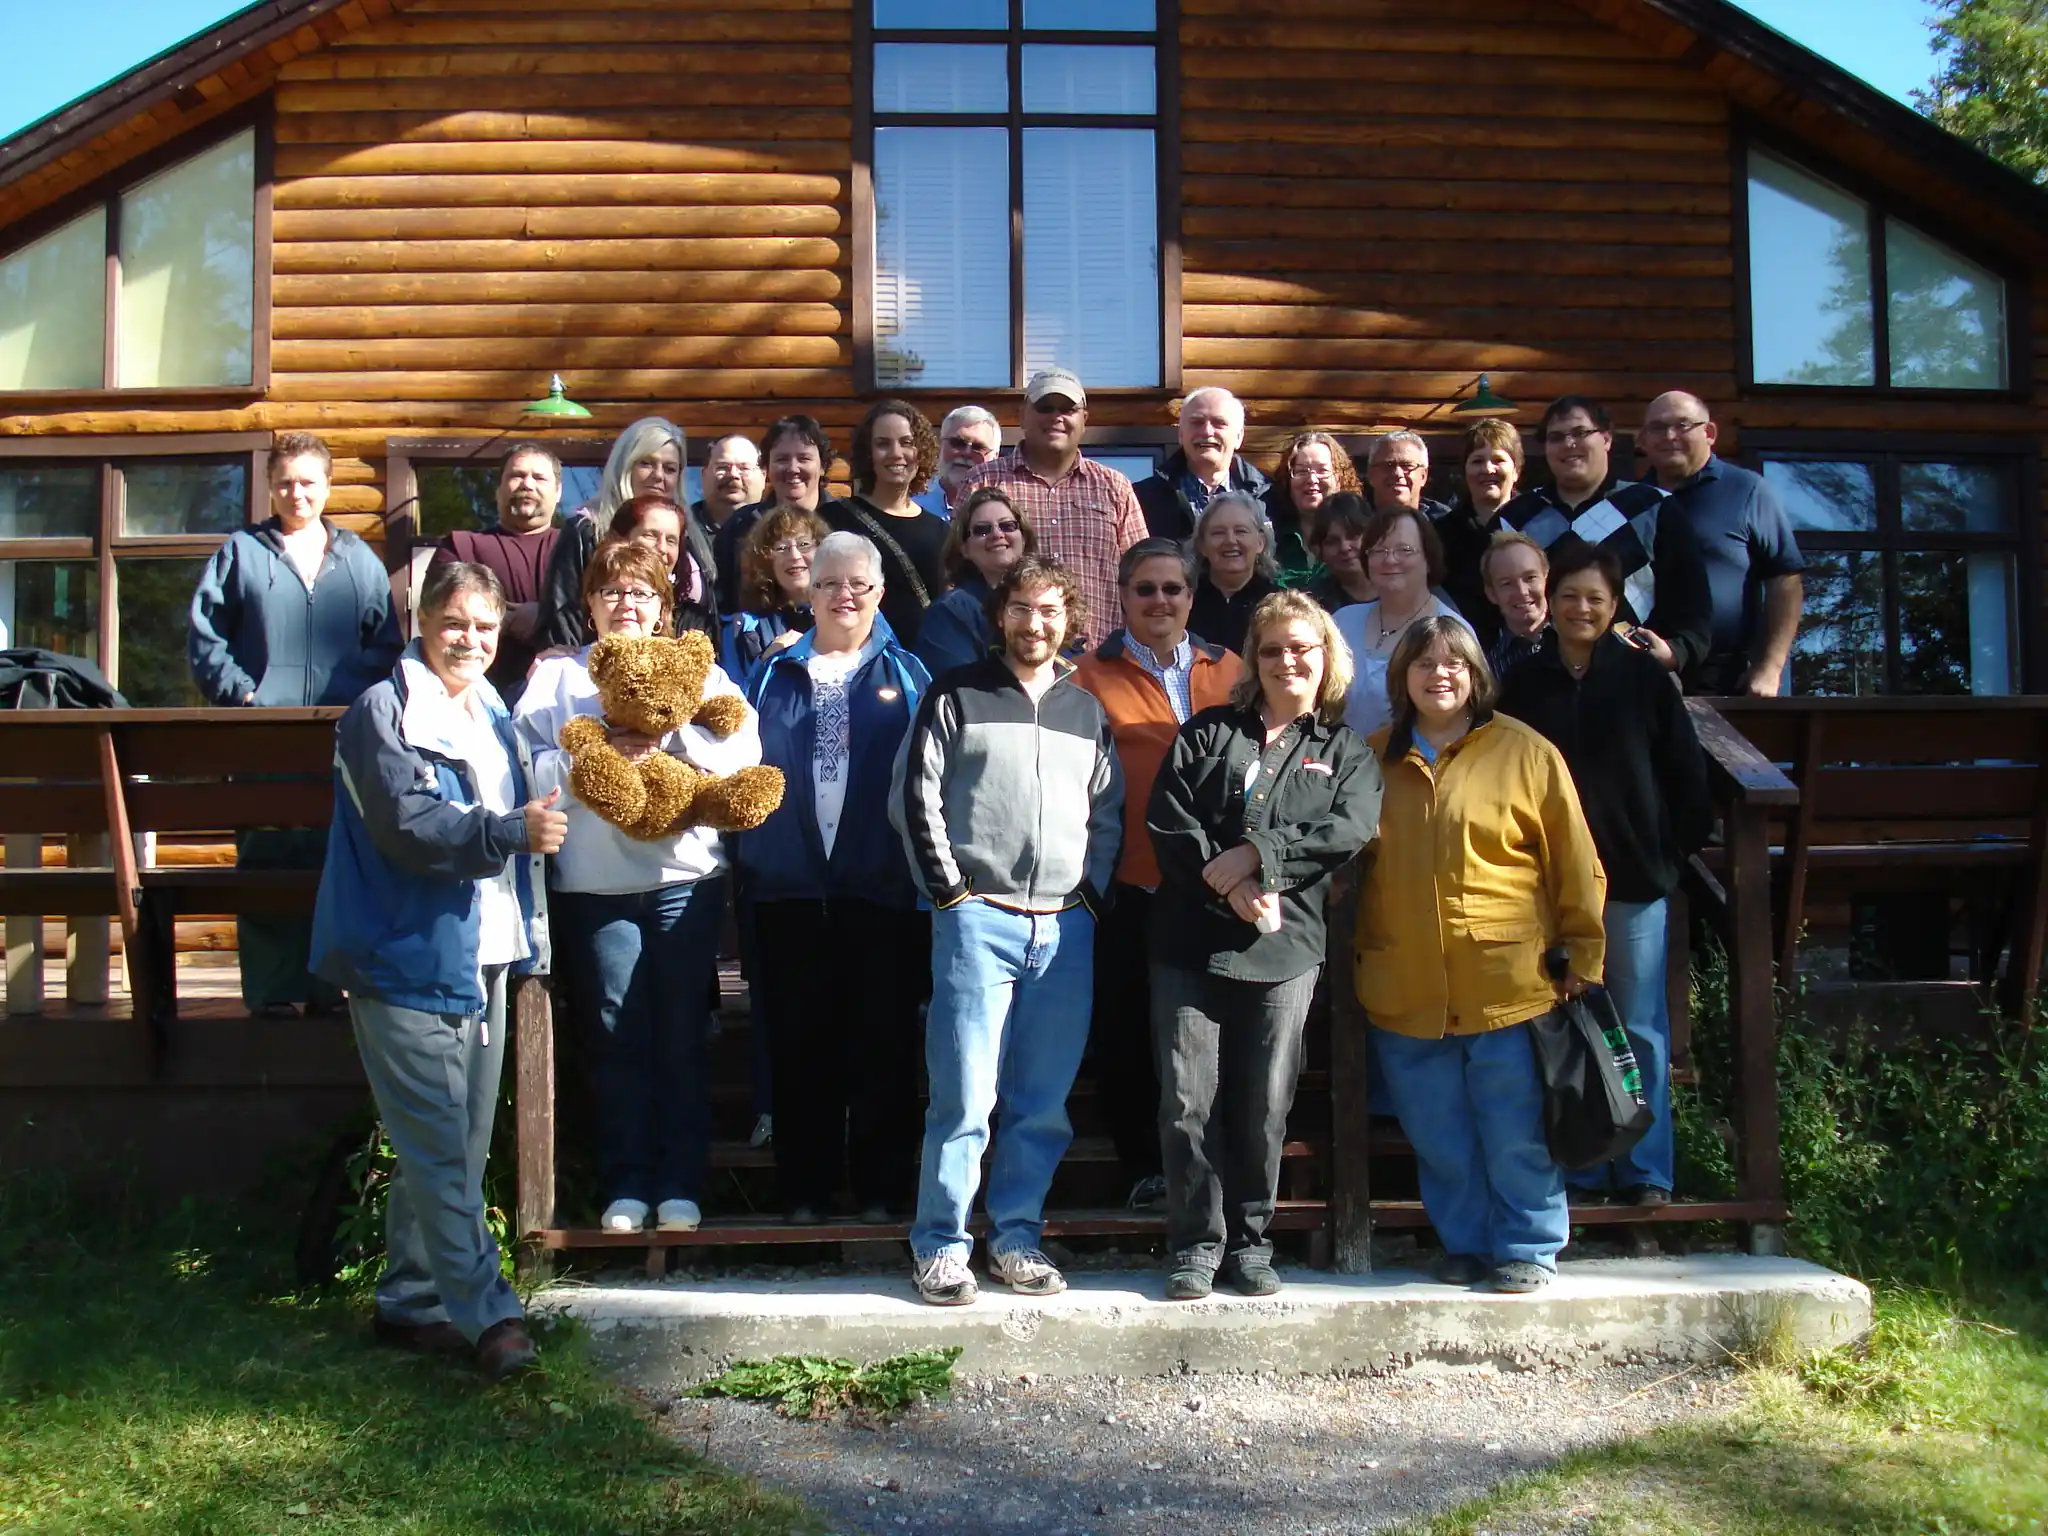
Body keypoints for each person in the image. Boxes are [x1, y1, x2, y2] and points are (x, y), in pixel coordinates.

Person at [309, 560, 565, 1382]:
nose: (470, 640)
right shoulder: (380, 714)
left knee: (455, 1142)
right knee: (441, 1154)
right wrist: (508, 833)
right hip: (402, 955)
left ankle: (412, 1298)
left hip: (484, 952)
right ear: (421, 620)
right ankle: (491, 1316)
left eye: (486, 627)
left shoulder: (491, 711)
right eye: (455, 622)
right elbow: (409, 828)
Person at [890, 556, 1123, 1306]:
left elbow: (1108, 813)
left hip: (1063, 928)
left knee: (1042, 1100)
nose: (1036, 623)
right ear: (1001, 616)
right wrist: (951, 893)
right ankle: (942, 1244)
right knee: (964, 1095)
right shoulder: (955, 693)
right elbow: (915, 798)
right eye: (1022, 608)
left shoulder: (1086, 709)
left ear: (1070, 620)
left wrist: (1088, 897)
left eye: (1051, 610)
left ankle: (1016, 1236)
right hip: (976, 920)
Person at [515, 539, 764, 1237]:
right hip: (593, 886)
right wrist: (593, 755)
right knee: (616, 1033)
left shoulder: (702, 672)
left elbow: (744, 749)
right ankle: (626, 1182)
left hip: (683, 881)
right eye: (612, 591)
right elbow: (524, 764)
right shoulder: (557, 678)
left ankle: (680, 1185)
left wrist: (669, 744)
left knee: (681, 1034)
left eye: (642, 593)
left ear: (664, 607)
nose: (627, 603)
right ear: (589, 604)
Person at [1355, 617, 1606, 1294]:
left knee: (1515, 1130)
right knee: (1440, 1138)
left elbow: (1575, 864)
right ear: (1402, 677)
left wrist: (1583, 952)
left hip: (1507, 981)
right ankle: (1465, 1244)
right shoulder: (1370, 759)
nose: (1441, 676)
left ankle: (1528, 1246)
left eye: (1455, 665)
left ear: (1475, 676)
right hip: (1404, 983)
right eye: (1425, 665)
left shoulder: (1525, 752)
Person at [1147, 591, 1380, 1299]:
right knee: (1188, 1100)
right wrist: (1228, 885)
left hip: (1285, 948)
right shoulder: (1207, 731)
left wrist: (1259, 857)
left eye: (1302, 648)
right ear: (1255, 659)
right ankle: (1194, 1244)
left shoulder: (1345, 753)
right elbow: (1169, 818)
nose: (1288, 661)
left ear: (1326, 659)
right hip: (1190, 940)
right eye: (1274, 648)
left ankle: (1249, 1244)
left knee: (1264, 1100)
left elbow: (1349, 828)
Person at [1499, 545, 1713, 1208]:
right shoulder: (1526, 684)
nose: (1581, 609)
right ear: (1550, 602)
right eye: (1569, 596)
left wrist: (1667, 857)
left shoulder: (1646, 680)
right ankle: (1587, 1164)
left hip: (1632, 884)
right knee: (1570, 1022)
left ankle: (1646, 1172)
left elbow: (1688, 780)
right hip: (1552, 890)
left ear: (1614, 605)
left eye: (1595, 598)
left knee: (1639, 1026)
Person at [742, 532, 933, 1224]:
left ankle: (883, 1190)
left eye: (858, 583)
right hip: (787, 888)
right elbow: (734, 767)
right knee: (799, 1043)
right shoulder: (769, 674)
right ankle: (805, 1192)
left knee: (882, 1042)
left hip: (879, 889)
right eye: (828, 583)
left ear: (880, 593)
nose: (843, 595)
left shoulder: (911, 676)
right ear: (809, 592)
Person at [189, 430, 402, 1017]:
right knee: (266, 861)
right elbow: (206, 639)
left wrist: (361, 706)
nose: (296, 492)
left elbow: (386, 646)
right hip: (263, 740)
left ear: (327, 486)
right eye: (284, 482)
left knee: (334, 860)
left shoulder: (358, 559)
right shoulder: (241, 552)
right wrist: (244, 693)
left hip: (341, 742)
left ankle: (330, 988)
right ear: (270, 487)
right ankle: (274, 993)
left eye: (308, 481)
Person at [1073, 538, 1245, 1212]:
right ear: (1123, 596)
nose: (1159, 601)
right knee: (1130, 1033)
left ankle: (1220, 1170)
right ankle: (1145, 1168)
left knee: (1216, 1033)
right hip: (1131, 884)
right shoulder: (1088, 676)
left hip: (1219, 887)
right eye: (1145, 589)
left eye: (1172, 589)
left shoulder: (1229, 669)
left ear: (1191, 597)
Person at [1499, 397, 1711, 678]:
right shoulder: (1513, 518)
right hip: (1539, 678)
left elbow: (1692, 603)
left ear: (1607, 438)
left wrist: (1676, 652)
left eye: (1580, 433)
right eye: (1557, 437)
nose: (1569, 444)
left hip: (1634, 677)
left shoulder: (1654, 507)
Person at [959, 367, 1148, 651]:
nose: (1056, 417)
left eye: (1068, 409)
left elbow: (1142, 577)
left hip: (1100, 661)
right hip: (1010, 656)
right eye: (1045, 408)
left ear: (1084, 419)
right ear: (1022, 415)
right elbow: (957, 567)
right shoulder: (983, 481)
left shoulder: (1115, 487)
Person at [1639, 390, 1806, 696]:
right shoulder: (1633, 500)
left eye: (1683, 425)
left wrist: (1769, 668)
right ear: (1644, 440)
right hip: (1645, 677)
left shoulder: (1746, 490)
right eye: (1658, 428)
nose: (1669, 436)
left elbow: (1785, 580)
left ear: (1710, 433)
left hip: (1727, 682)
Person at [538, 418, 716, 649]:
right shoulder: (588, 530)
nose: (659, 475)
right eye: (646, 463)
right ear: (625, 465)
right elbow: (562, 613)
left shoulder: (692, 537)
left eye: (669, 468)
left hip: (678, 671)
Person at [429, 441, 564, 701]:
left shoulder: (580, 548)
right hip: (473, 698)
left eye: (539, 477)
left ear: (558, 491)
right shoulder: (460, 545)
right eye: (517, 475)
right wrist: (518, 619)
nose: (527, 484)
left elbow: (595, 617)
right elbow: (441, 616)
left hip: (562, 702)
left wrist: (541, 616)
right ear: (498, 489)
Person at [1331, 506, 1474, 740]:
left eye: (1404, 550)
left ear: (1428, 559)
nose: (1390, 559)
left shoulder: (1451, 631)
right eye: (1379, 551)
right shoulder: (1342, 622)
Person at [826, 398, 951, 649]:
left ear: (921, 451)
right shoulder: (832, 520)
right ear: (868, 454)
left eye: (907, 443)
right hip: (853, 660)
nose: (896, 453)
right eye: (883, 444)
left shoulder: (941, 531)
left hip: (922, 667)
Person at [914, 486, 1037, 680]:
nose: (997, 534)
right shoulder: (949, 614)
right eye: (982, 530)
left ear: (1023, 536)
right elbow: (959, 690)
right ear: (964, 548)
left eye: (1007, 526)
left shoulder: (1047, 603)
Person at [714, 415, 832, 615]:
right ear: (766, 468)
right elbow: (722, 602)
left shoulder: (846, 520)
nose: (793, 468)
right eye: (781, 459)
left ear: (822, 466)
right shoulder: (741, 526)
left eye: (804, 458)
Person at [1133, 386, 1271, 545]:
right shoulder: (1142, 499)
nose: (1206, 432)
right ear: (1181, 435)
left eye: (1219, 423)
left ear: (1239, 437)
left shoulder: (1268, 498)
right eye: (1197, 422)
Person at [1437, 418, 1526, 647]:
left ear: (1516, 470)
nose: (1488, 469)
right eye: (1477, 461)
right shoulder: (1440, 533)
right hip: (1462, 651)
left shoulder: (1536, 524)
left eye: (1498, 460)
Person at [721, 505, 827, 686]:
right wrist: (767, 661)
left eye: (803, 544)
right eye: (782, 548)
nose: (794, 556)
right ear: (766, 561)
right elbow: (732, 703)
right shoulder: (742, 629)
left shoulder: (847, 613)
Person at [1188, 490, 1283, 656]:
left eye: (1240, 531)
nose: (1230, 540)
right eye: (1218, 533)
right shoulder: (1184, 602)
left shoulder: (1278, 604)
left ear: (1260, 543)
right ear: (1202, 545)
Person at [1263, 430, 1359, 582]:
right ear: (1287, 480)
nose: (1312, 479)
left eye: (1322, 471)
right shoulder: (1273, 538)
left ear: (1340, 477)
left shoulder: (1360, 535)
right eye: (1301, 471)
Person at [1481, 530, 1551, 682]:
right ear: (1492, 594)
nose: (1521, 591)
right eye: (1507, 583)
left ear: (1546, 578)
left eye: (1530, 578)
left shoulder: (1577, 645)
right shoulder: (1485, 669)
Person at [915, 405, 1003, 517]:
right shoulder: (912, 504)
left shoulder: (1004, 511)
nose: (966, 453)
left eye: (978, 447)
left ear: (995, 457)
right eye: (958, 443)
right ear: (940, 445)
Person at [1303, 491, 1375, 611]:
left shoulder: (1398, 588)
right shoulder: (1313, 605)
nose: (1344, 547)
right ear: (1320, 550)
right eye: (1332, 541)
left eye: (1353, 535)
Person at [695, 434, 765, 537]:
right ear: (704, 475)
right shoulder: (680, 529)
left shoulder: (780, 528)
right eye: (722, 467)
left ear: (763, 477)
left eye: (744, 468)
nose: (733, 474)